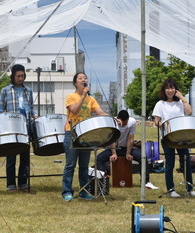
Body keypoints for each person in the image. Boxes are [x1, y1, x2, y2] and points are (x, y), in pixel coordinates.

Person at [62, 72, 107, 201]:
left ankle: (84, 191)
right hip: (71, 133)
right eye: (80, 78)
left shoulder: (91, 99)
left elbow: (99, 112)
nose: (83, 80)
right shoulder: (71, 97)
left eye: (85, 78)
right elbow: (74, 110)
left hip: (86, 135)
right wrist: (82, 96)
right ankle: (67, 191)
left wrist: (112, 118)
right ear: (75, 83)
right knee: (70, 165)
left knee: (84, 165)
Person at [152, 79, 195, 197]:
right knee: (170, 164)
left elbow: (189, 112)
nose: (170, 90)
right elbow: (156, 121)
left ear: (176, 90)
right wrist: (162, 125)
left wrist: (182, 98)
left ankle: (190, 188)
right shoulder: (160, 104)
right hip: (167, 137)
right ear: (164, 90)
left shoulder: (180, 103)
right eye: (167, 88)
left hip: (181, 136)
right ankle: (171, 190)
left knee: (186, 162)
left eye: (172, 88)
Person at [96, 110, 159, 190]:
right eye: (122, 123)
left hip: (126, 148)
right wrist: (114, 153)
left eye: (125, 122)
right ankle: (103, 182)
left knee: (143, 158)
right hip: (114, 148)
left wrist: (128, 153)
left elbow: (130, 139)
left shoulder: (132, 122)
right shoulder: (113, 122)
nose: (124, 124)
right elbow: (112, 140)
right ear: (118, 119)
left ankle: (146, 182)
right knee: (99, 159)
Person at [0, 64, 35, 192]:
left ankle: (23, 183)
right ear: (13, 76)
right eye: (18, 76)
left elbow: (31, 107)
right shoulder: (5, 90)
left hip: (25, 125)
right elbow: (1, 109)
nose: (20, 78)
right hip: (11, 126)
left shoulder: (28, 91)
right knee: (11, 156)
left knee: (25, 156)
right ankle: (10, 184)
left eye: (22, 76)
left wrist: (33, 117)